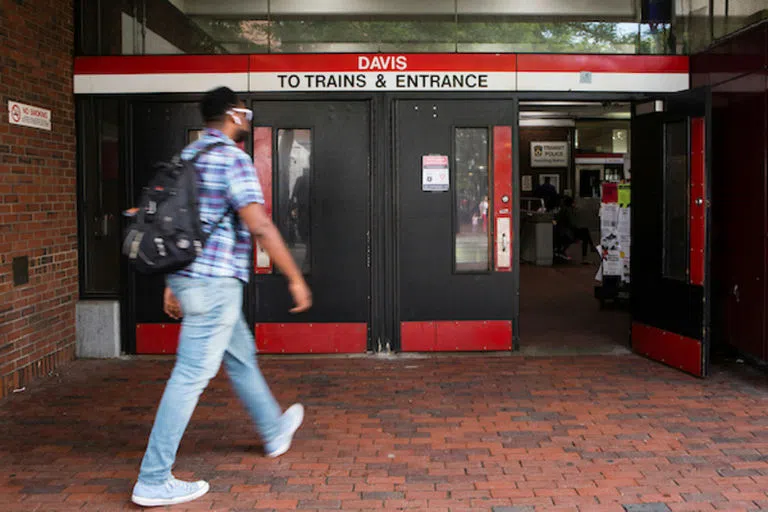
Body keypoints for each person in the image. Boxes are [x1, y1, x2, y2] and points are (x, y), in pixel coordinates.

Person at [131, 87, 313, 508]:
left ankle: (272, 430)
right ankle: (153, 478)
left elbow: (177, 225)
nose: (247, 120)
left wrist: (171, 283)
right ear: (233, 115)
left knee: (240, 355)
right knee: (190, 375)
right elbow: (260, 226)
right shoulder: (232, 159)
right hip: (215, 284)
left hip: (190, 279)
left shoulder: (188, 156)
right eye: (245, 113)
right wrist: (294, 277)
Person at [554, 195, 596, 263]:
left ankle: (591, 247)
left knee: (585, 232)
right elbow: (572, 223)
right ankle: (588, 252)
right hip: (567, 232)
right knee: (585, 233)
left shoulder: (563, 209)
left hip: (564, 231)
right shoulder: (568, 210)